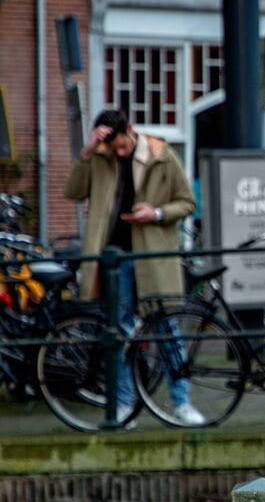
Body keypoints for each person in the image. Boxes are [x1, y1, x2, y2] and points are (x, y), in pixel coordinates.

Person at [64, 110, 205, 427]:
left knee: (168, 328)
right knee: (120, 332)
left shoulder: (160, 154)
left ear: (130, 130)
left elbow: (187, 202)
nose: (120, 152)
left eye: (123, 145)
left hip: (152, 258)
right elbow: (72, 191)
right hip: (115, 261)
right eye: (113, 148)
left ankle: (181, 403)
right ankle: (125, 405)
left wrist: (155, 213)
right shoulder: (99, 158)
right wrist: (87, 152)